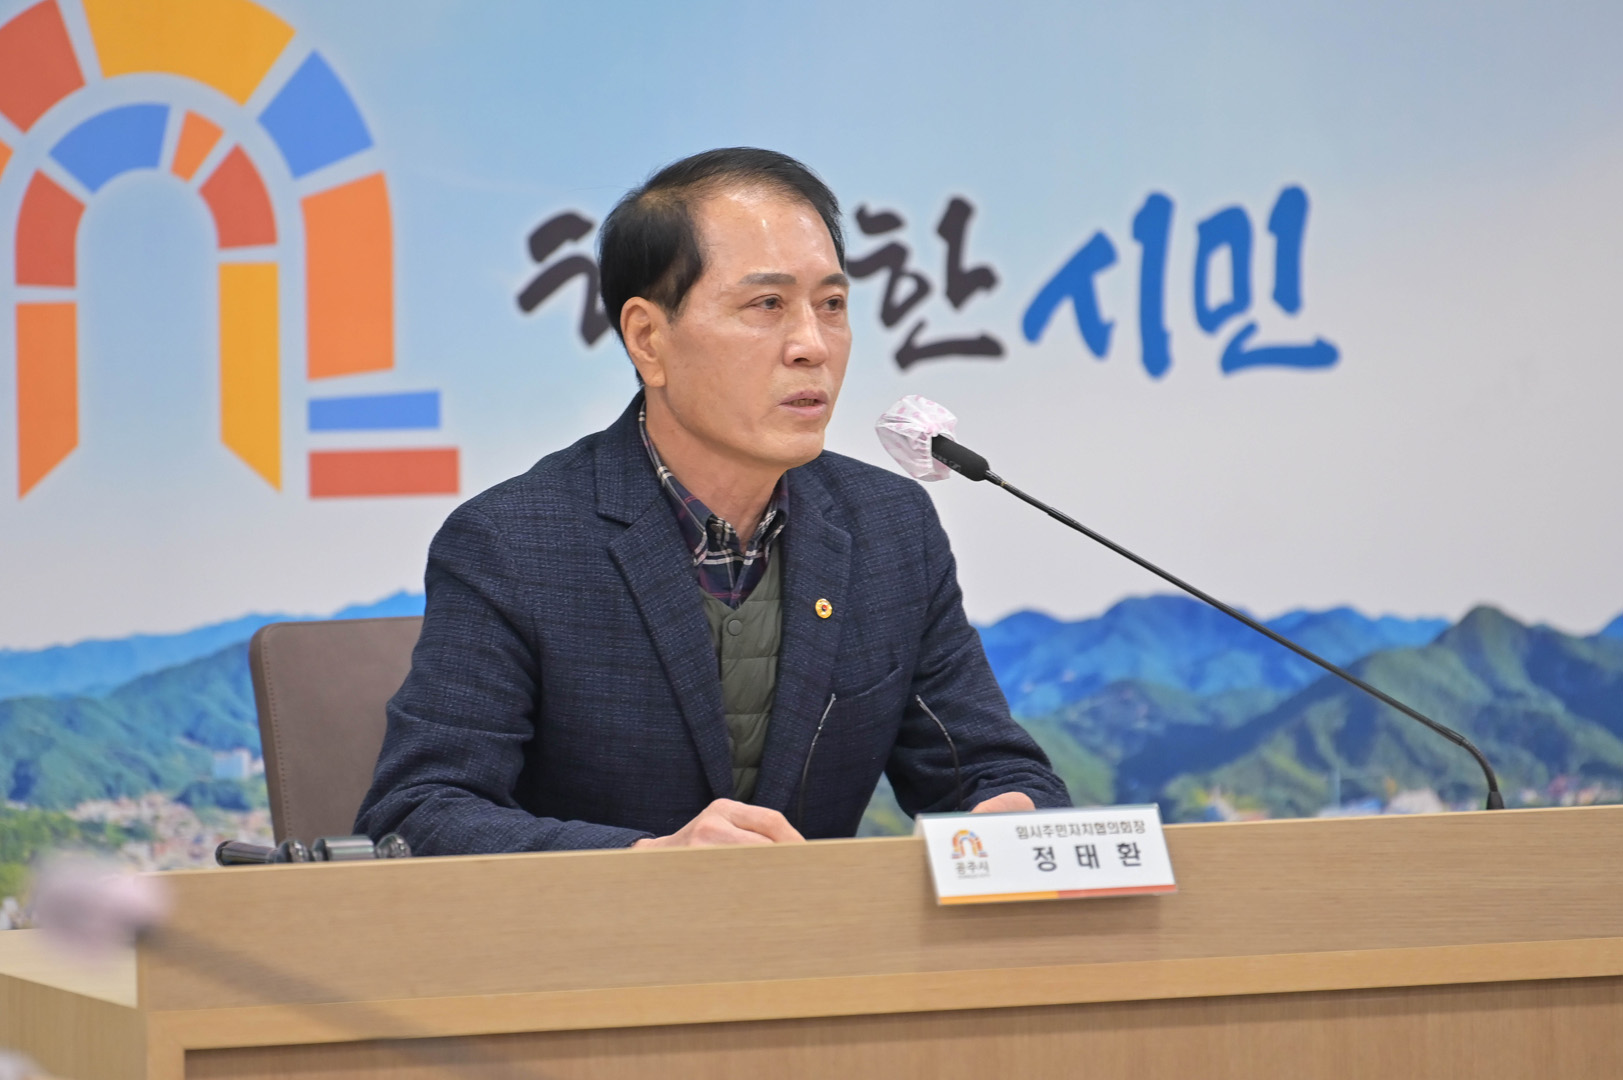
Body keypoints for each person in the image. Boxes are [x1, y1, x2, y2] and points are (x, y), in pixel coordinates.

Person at [355, 148, 1069, 852]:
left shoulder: (888, 527)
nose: (812, 346)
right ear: (648, 339)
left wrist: (1009, 812)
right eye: (766, 305)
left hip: (816, 932)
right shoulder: (514, 543)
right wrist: (650, 862)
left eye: (831, 305)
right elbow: (418, 813)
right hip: (605, 929)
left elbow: (989, 770)